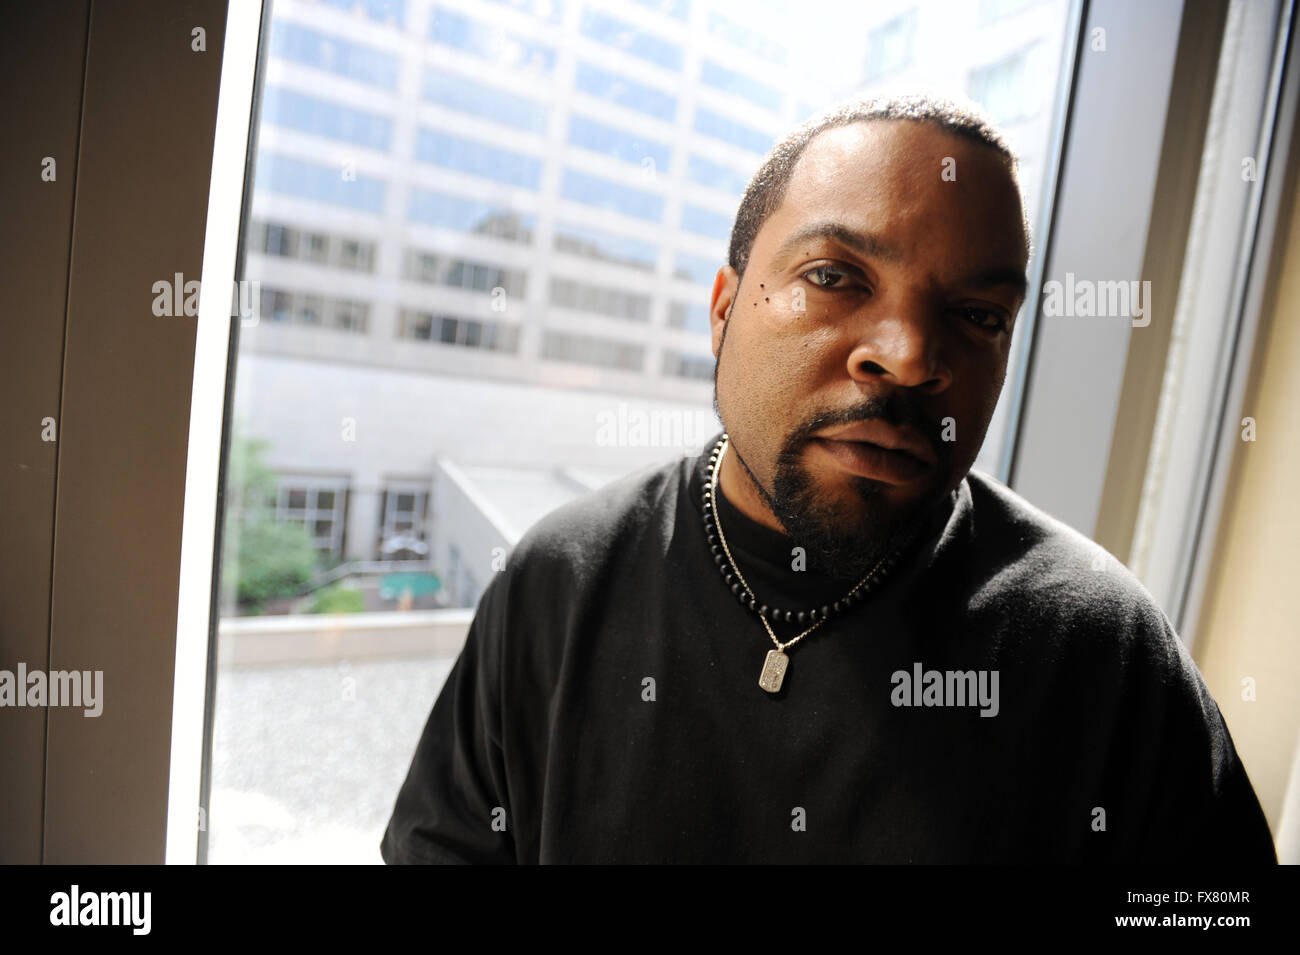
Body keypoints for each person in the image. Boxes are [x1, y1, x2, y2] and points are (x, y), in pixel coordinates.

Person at [381, 94, 1277, 864]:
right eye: (835, 275)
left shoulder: (1097, 647)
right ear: (726, 308)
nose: (910, 355)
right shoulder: (564, 577)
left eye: (975, 315)